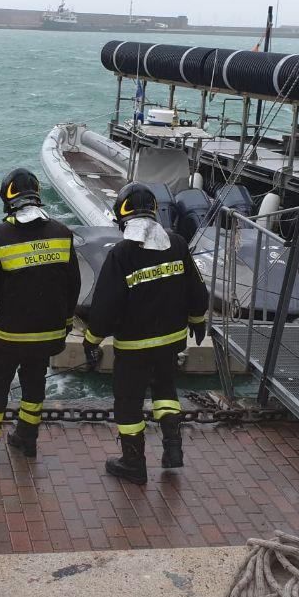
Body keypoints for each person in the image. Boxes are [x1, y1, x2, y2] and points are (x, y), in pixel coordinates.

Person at [82, 182, 209, 484]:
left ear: (123, 216)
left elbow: (105, 306)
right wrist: (197, 320)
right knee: (166, 392)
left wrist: (91, 340)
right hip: (170, 341)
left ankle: (133, 463)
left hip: (134, 346)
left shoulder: (122, 254)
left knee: (128, 403)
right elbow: (197, 290)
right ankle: (173, 450)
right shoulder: (176, 244)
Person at [0, 168, 80, 469]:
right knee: (34, 384)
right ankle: (27, 438)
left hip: (9, 335)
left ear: (8, 200)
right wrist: (64, 325)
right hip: (47, 335)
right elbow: (73, 285)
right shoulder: (63, 234)